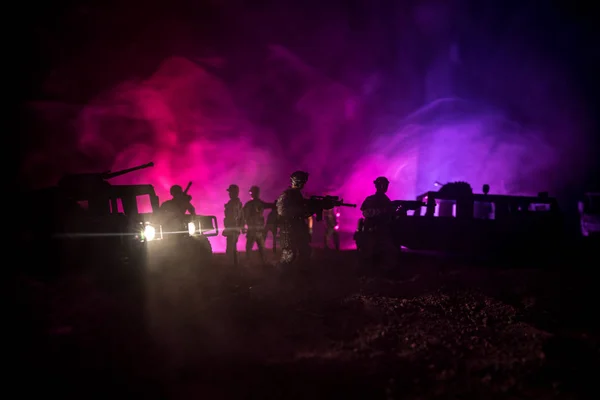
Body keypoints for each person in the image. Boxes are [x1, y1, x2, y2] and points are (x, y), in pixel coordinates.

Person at [276, 171, 313, 268]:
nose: (304, 184)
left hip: (297, 229)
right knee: (289, 255)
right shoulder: (287, 194)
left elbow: (304, 212)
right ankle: (279, 277)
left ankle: (297, 276)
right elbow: (282, 211)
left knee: (304, 252)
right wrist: (301, 210)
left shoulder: (296, 194)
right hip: (288, 230)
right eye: (302, 182)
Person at [359, 176, 397, 270]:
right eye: (385, 185)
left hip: (369, 231)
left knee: (369, 256)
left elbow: (363, 211)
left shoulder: (369, 199)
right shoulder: (386, 201)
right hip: (380, 232)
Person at [243, 186, 274, 264]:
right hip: (257, 229)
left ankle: (249, 262)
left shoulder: (249, 204)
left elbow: (244, 216)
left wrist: (243, 226)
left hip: (254, 230)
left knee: (250, 248)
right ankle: (264, 262)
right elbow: (271, 205)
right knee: (260, 248)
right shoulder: (259, 203)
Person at [223, 184, 244, 266]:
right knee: (234, 247)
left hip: (232, 228)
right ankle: (235, 265)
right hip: (235, 229)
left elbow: (231, 217)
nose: (229, 194)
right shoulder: (238, 203)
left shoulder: (233, 203)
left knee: (230, 249)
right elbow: (242, 216)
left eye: (230, 192)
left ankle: (231, 266)